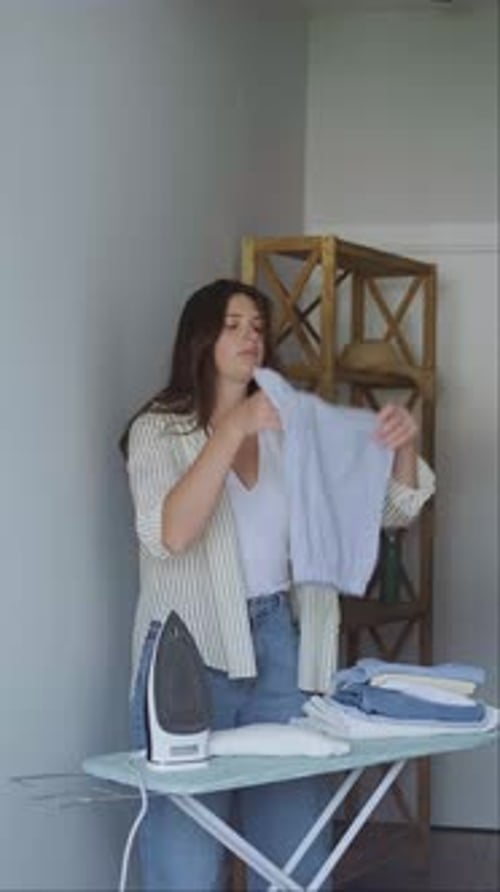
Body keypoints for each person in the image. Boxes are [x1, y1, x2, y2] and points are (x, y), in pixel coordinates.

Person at [120, 278, 434, 891]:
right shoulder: (158, 432)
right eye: (233, 325)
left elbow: (391, 511)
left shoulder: (294, 430)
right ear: (200, 338)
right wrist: (232, 430)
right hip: (186, 655)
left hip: (281, 648)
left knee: (295, 859)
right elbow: (172, 535)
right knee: (184, 862)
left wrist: (401, 449)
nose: (250, 337)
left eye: (258, 328)